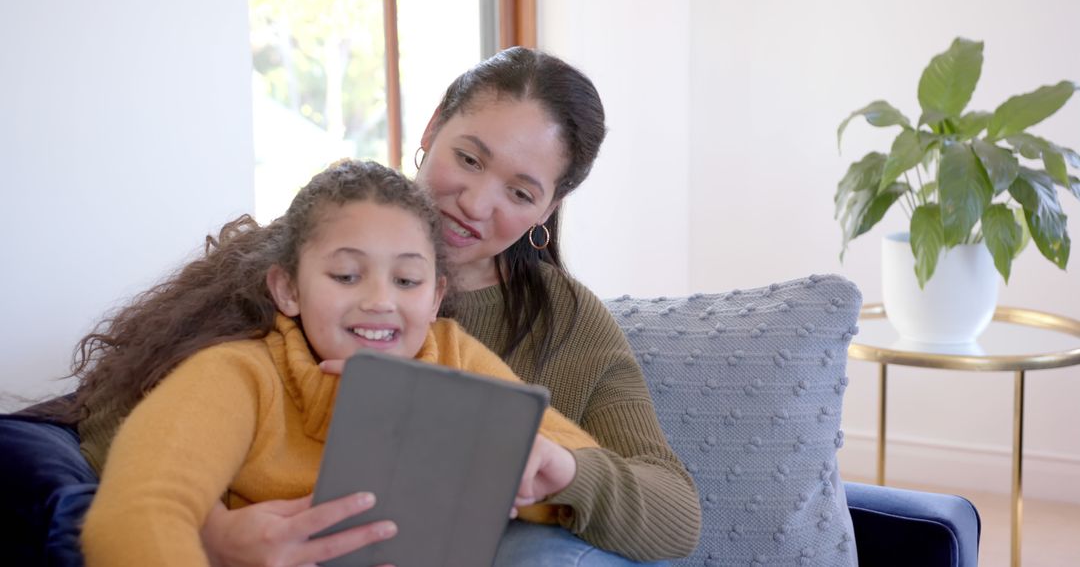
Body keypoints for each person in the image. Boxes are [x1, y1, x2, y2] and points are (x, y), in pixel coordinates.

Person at [0, 46, 701, 566]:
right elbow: (130, 446)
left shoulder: (530, 335)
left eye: (521, 192)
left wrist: (564, 468)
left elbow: (673, 512)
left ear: (548, 209)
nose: (476, 201)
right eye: (469, 158)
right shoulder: (289, 271)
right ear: (431, 129)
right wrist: (214, 535)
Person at [78, 159, 602, 565]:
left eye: (407, 280)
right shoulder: (239, 375)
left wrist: (553, 472)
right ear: (287, 289)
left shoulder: (453, 357)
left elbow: (581, 470)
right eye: (347, 276)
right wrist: (212, 541)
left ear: (436, 295)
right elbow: (138, 513)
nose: (380, 301)